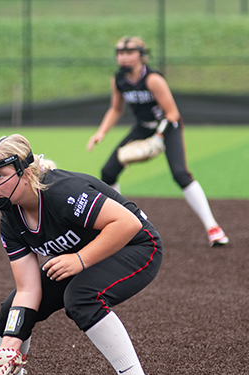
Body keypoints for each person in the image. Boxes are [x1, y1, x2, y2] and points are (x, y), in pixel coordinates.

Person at [0, 133, 165, 375]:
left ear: (25, 172)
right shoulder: (10, 218)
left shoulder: (61, 192)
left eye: (0, 175)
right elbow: (28, 291)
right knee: (9, 313)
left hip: (136, 244)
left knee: (81, 296)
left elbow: (128, 223)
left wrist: (80, 259)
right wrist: (8, 353)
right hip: (86, 255)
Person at [87, 35, 229, 247]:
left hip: (168, 128)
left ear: (142, 56)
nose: (124, 58)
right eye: (120, 53)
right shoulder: (118, 80)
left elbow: (172, 113)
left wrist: (159, 138)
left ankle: (213, 227)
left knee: (181, 174)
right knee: (108, 172)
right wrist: (101, 132)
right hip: (143, 127)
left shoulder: (153, 79)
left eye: (129, 53)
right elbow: (116, 109)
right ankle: (123, 224)